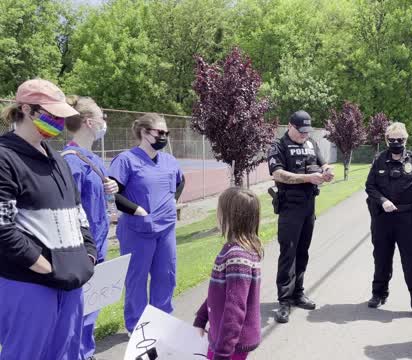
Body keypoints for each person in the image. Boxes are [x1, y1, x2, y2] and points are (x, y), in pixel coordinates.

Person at [0, 79, 96, 359]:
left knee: (66, 353)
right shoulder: (5, 157)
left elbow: (78, 213)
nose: (58, 121)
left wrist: (87, 253)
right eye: (52, 114)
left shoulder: (59, 160)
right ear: (27, 110)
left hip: (70, 282)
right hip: (28, 284)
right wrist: (43, 266)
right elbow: (3, 226)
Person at [108, 113, 185, 334]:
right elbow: (114, 194)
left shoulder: (169, 160)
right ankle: (137, 326)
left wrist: (173, 199)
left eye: (166, 133)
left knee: (166, 276)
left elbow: (181, 181)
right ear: (143, 132)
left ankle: (161, 321)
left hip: (166, 229)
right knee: (136, 280)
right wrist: (137, 210)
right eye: (160, 132)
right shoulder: (126, 160)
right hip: (137, 231)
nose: (164, 137)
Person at [61, 96, 119, 360]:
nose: (104, 122)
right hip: (82, 252)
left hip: (99, 245)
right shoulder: (71, 161)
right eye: (101, 117)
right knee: (78, 311)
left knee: (91, 308)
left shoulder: (93, 159)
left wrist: (110, 190)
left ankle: (87, 352)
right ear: (88, 122)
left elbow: (98, 202)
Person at [364, 122, 412, 322]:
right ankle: (379, 294)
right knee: (381, 258)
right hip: (382, 219)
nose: (396, 143)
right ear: (386, 140)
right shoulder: (379, 160)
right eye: (392, 139)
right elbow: (370, 187)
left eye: (400, 139)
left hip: (408, 220)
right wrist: (382, 201)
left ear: (406, 139)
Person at [266, 110, 334, 324]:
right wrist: (308, 178)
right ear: (290, 126)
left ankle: (298, 293)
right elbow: (277, 174)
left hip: (308, 206)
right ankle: (284, 301)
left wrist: (327, 170)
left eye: (307, 131)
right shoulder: (278, 146)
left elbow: (323, 163)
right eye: (300, 131)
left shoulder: (311, 143)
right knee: (289, 253)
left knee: (303, 251)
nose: (304, 135)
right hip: (289, 206)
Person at [193, 187, 262, 360]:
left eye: (219, 210)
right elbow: (219, 294)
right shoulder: (232, 250)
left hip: (231, 345)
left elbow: (235, 308)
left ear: (230, 217)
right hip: (223, 339)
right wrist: (201, 317)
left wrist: (222, 354)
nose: (217, 214)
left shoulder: (237, 257)